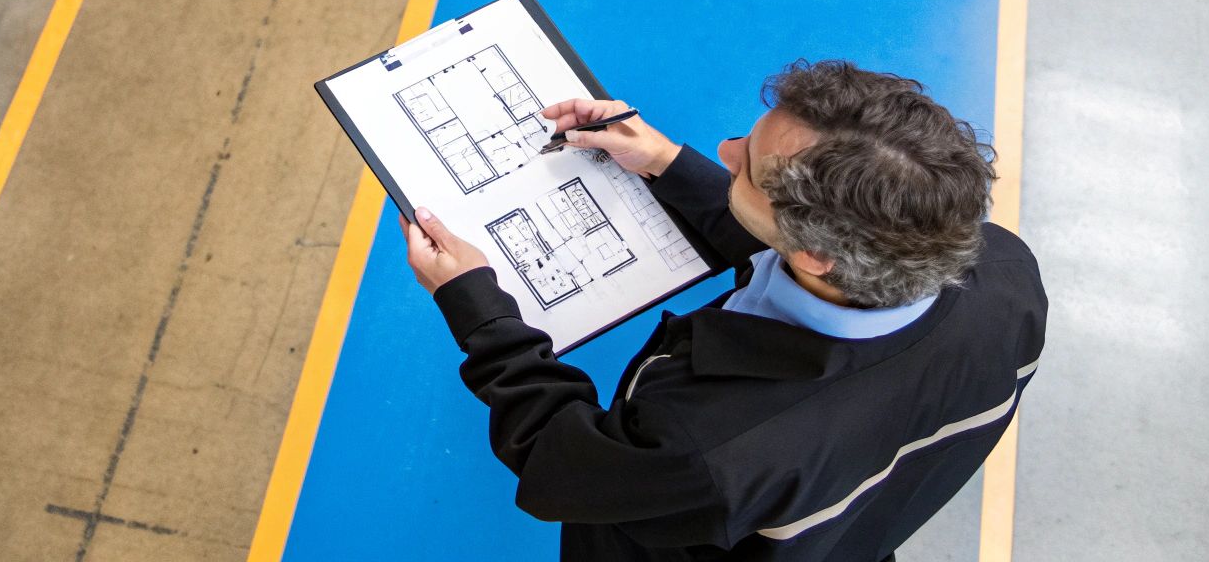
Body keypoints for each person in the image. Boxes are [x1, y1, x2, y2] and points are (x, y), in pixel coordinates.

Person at [400, 60, 1048, 561]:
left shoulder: (712, 443)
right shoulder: (1006, 274)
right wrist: (665, 163)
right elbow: (798, 243)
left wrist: (480, 310)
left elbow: (558, 461)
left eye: (746, 170)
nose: (725, 150)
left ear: (815, 253)